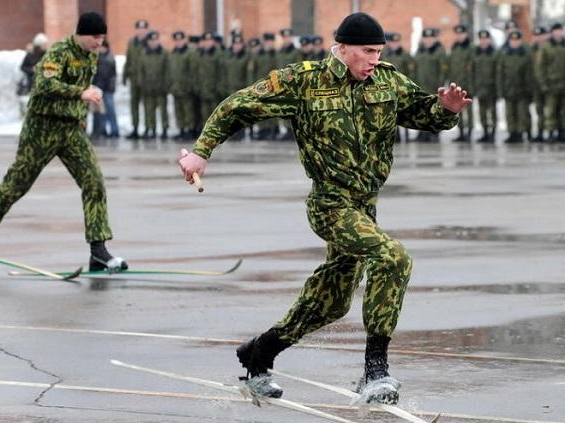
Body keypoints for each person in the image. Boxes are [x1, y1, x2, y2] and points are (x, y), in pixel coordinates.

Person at [179, 12, 471, 403]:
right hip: (330, 203)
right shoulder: (305, 80)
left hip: (365, 207)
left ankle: (259, 353)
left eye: (379, 51)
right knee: (393, 257)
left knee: (331, 302)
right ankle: (375, 371)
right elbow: (239, 106)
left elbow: (423, 114)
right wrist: (201, 152)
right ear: (343, 47)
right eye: (367, 51)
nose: (373, 59)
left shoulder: (387, 80)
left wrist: (446, 109)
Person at [0, 12, 128, 273]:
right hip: (42, 128)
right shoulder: (59, 52)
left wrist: (81, 113)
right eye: (95, 37)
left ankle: (98, 250)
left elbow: (80, 93)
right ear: (82, 34)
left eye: (102, 37)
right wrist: (80, 93)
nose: (100, 42)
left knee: (94, 182)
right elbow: (44, 84)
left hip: (70, 130)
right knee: (18, 182)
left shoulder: (91, 55)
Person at [496, 30, 533, 143]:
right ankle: (512, 133)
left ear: (520, 41)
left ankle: (521, 133)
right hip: (508, 88)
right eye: (512, 40)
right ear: (509, 41)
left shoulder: (525, 54)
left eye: (517, 40)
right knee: (510, 113)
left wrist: (529, 89)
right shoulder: (505, 54)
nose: (514, 42)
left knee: (522, 113)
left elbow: (529, 74)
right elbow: (500, 74)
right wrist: (501, 90)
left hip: (522, 89)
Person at [413, 27, 447, 142]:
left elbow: (443, 70)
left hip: (434, 87)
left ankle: (434, 133)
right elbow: (415, 69)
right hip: (421, 86)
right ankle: (422, 133)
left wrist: (440, 86)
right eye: (426, 38)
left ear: (435, 38)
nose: (428, 40)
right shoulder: (419, 51)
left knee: (435, 111)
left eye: (431, 38)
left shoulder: (439, 51)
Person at [140, 30, 171, 139]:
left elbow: (168, 71)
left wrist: (166, 85)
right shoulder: (144, 53)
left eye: (156, 40)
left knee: (163, 111)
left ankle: (164, 129)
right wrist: (142, 85)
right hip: (148, 88)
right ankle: (151, 129)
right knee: (149, 110)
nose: (154, 42)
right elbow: (141, 70)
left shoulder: (164, 53)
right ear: (148, 42)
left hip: (161, 88)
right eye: (151, 40)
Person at [538, 22, 565, 143]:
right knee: (551, 110)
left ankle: (562, 132)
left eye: (560, 30)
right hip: (551, 84)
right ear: (552, 32)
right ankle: (550, 132)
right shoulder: (546, 47)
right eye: (556, 30)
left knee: (563, 111)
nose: (558, 33)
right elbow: (540, 67)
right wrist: (544, 83)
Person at [123, 19, 149, 140]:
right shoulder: (132, 42)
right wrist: (124, 76)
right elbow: (128, 60)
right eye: (139, 29)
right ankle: (135, 128)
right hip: (134, 78)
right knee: (134, 105)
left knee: (147, 105)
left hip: (145, 79)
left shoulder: (150, 43)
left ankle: (148, 129)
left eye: (143, 29)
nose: (141, 31)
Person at [448, 24, 474, 142]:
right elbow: (451, 65)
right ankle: (462, 131)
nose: (459, 36)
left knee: (468, 109)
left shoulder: (471, 48)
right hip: (457, 84)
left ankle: (470, 131)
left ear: (466, 34)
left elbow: (473, 67)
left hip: (468, 83)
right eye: (457, 34)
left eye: (461, 34)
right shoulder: (455, 48)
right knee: (458, 110)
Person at [471, 30, 498, 143]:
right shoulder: (475, 53)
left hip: (491, 87)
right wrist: (473, 87)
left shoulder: (494, 53)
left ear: (489, 40)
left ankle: (493, 133)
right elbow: (472, 72)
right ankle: (485, 132)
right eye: (481, 39)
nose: (483, 41)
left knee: (492, 112)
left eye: (486, 39)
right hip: (480, 87)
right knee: (482, 112)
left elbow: (498, 72)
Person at [91, 39, 119, 138]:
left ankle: (114, 131)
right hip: (98, 88)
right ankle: (101, 130)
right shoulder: (97, 58)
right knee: (99, 112)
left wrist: (111, 87)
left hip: (107, 89)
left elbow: (112, 75)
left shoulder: (109, 59)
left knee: (110, 111)